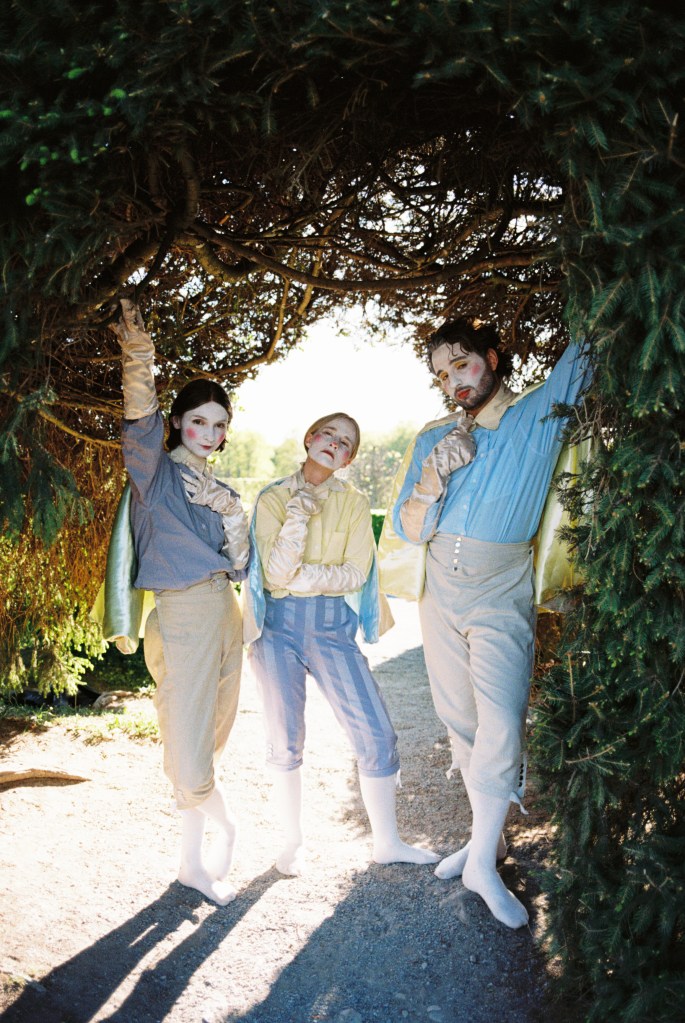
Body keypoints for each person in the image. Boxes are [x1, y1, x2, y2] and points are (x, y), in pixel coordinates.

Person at [383, 318, 590, 929]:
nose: (454, 382)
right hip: (439, 591)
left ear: (493, 358)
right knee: (462, 719)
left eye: (462, 364)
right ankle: (487, 848)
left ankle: (480, 866)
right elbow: (408, 528)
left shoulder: (539, 414)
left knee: (501, 718)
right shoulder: (433, 437)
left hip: (501, 588)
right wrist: (433, 477)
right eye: (442, 375)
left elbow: (587, 346)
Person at [242, 412, 440, 874]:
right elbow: (271, 574)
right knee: (285, 736)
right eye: (328, 433)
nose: (335, 443)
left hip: (334, 628)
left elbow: (355, 573)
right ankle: (291, 843)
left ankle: (387, 843)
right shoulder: (272, 498)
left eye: (346, 442)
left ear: (349, 459)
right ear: (309, 438)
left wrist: (297, 578)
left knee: (376, 732)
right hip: (276, 629)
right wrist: (298, 560)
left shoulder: (354, 503)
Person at [109, 298, 249, 906]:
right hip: (183, 615)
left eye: (220, 425)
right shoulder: (155, 473)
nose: (210, 435)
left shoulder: (221, 490)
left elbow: (241, 563)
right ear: (178, 423)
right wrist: (138, 354)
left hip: (225, 612)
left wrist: (234, 518)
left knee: (210, 738)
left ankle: (191, 861)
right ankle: (224, 831)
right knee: (188, 750)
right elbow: (139, 417)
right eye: (199, 422)